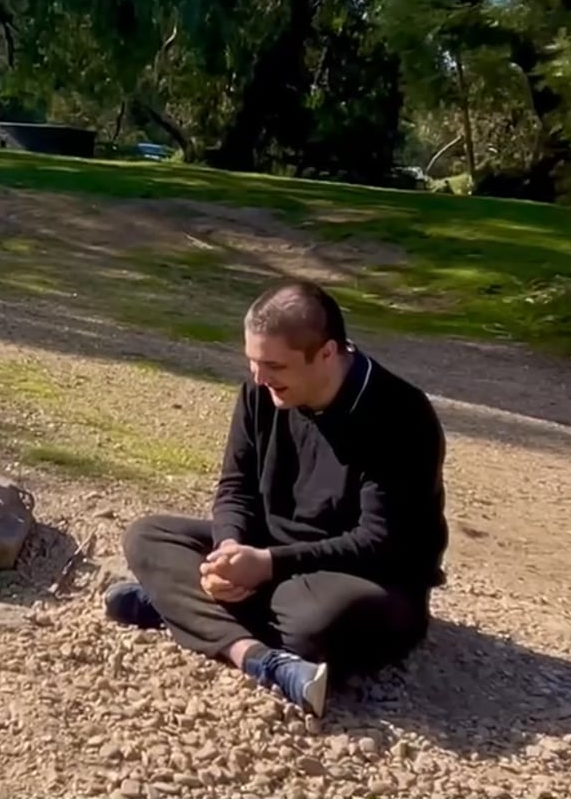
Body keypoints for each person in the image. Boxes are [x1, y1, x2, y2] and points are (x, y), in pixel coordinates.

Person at [104, 280, 448, 716]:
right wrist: (228, 550)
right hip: (268, 556)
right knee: (146, 536)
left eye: (275, 366)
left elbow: (380, 542)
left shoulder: (401, 415)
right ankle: (258, 657)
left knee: (315, 621)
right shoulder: (262, 390)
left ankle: (177, 605)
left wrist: (267, 565)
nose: (260, 377)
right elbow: (236, 486)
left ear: (326, 353)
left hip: (368, 578)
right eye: (252, 362)